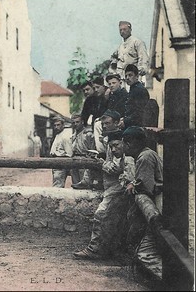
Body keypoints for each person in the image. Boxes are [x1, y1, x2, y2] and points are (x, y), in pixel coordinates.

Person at [73, 130, 135, 260]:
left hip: (118, 193)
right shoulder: (116, 155)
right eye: (111, 146)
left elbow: (126, 176)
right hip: (112, 191)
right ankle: (107, 250)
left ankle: (94, 249)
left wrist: (104, 165)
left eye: (116, 145)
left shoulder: (129, 158)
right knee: (112, 221)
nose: (113, 149)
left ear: (124, 143)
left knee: (100, 215)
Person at [123, 126, 163, 280]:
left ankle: (173, 283)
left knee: (146, 253)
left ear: (130, 143)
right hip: (156, 207)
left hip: (156, 209)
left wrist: (133, 186)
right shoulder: (147, 154)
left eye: (124, 143)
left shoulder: (144, 157)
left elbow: (145, 186)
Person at [72, 109, 121, 190]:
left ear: (116, 123)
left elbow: (116, 167)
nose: (104, 126)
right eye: (103, 124)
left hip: (118, 183)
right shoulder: (108, 137)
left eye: (107, 123)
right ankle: (88, 181)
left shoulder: (120, 139)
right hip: (108, 179)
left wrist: (102, 163)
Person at [119, 64, 149, 130]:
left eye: (130, 75)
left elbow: (139, 112)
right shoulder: (133, 88)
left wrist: (125, 121)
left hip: (138, 126)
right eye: (126, 76)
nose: (127, 78)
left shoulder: (139, 90)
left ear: (137, 76)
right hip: (132, 123)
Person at [70, 113, 95, 185]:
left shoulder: (88, 133)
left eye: (77, 122)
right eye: (73, 122)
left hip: (84, 160)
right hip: (74, 160)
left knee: (84, 183)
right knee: (75, 184)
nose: (75, 124)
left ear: (82, 122)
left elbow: (93, 149)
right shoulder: (74, 134)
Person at [49, 117, 73, 188]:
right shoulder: (58, 135)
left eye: (58, 125)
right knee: (56, 183)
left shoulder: (65, 137)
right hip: (55, 162)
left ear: (63, 125)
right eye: (55, 125)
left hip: (61, 162)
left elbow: (69, 153)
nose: (56, 127)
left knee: (58, 185)